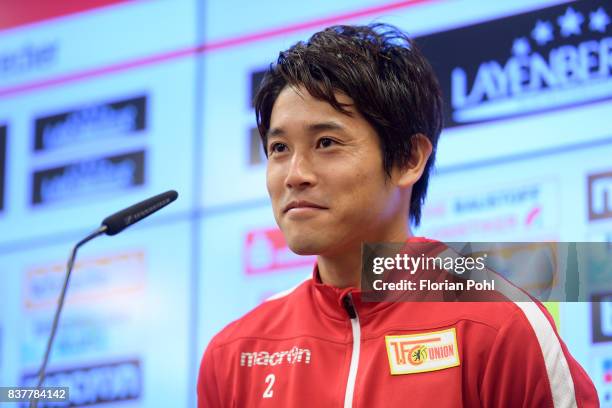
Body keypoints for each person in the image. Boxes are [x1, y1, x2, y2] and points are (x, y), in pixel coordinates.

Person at [197, 23, 599, 407]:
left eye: (326, 142)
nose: (295, 175)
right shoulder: (235, 352)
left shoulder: (500, 325)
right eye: (279, 148)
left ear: (409, 159)